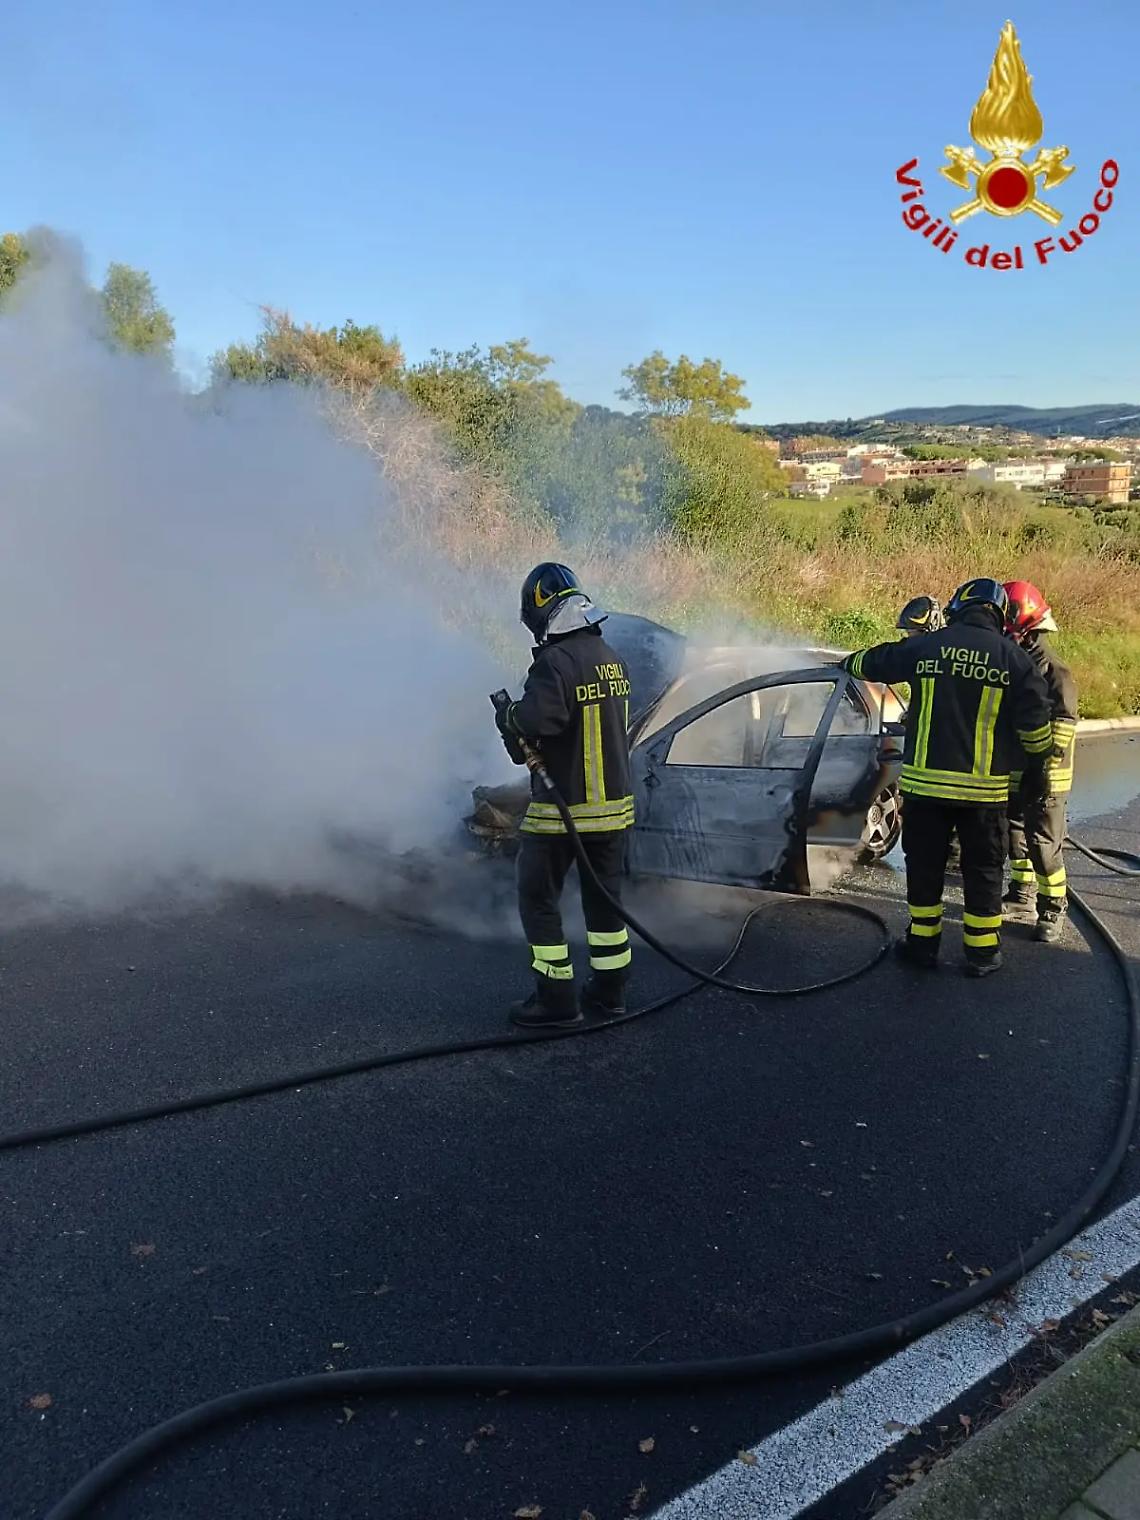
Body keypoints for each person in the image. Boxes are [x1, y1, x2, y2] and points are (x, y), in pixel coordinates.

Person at [843, 578, 1052, 977]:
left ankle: (923, 946)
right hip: (984, 796)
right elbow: (1036, 730)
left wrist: (844, 664)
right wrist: (1037, 771)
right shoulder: (1014, 658)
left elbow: (877, 660)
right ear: (999, 616)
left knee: (924, 869)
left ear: (957, 608)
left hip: (925, 792)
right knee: (984, 872)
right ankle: (983, 953)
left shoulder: (928, 646)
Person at [495, 563, 635, 1029]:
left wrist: (509, 716)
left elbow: (536, 722)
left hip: (564, 812)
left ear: (542, 612)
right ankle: (610, 993)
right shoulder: (609, 656)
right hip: (614, 812)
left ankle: (556, 999)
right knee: (604, 905)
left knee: (537, 898)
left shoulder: (555, 663)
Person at [1002, 581, 1078, 943]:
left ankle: (1053, 908)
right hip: (1016, 768)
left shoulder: (1055, 672)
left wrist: (1043, 769)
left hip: (1048, 776)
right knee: (1015, 835)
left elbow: (1063, 725)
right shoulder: (1018, 664)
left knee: (1043, 844)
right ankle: (1021, 895)